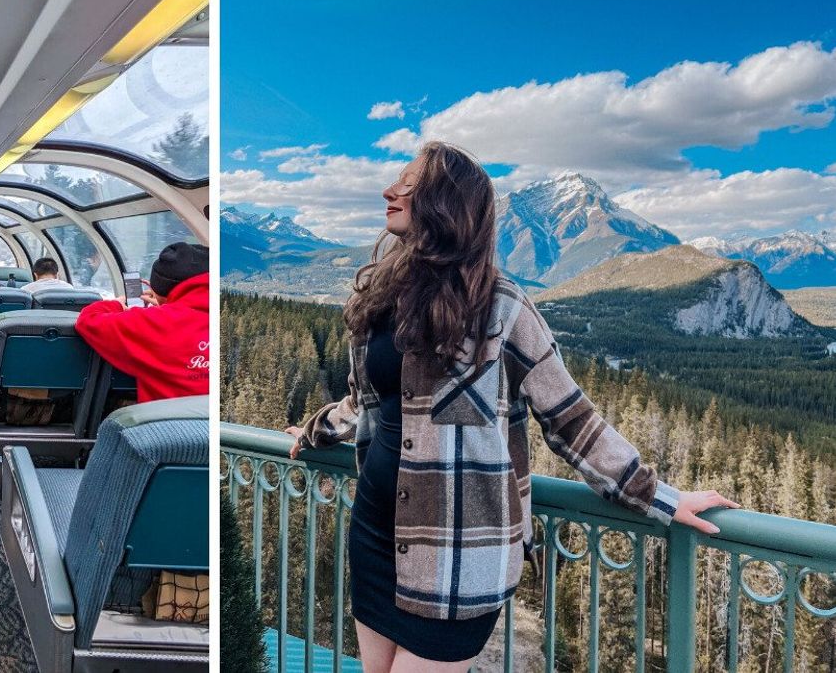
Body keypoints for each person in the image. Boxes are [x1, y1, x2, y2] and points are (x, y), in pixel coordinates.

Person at [283, 142, 739, 672]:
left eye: (407, 183)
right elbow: (375, 404)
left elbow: (570, 416)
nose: (390, 191)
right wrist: (318, 429)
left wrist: (654, 495)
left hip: (458, 555)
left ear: (443, 202)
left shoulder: (502, 307)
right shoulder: (381, 299)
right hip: (375, 534)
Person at [75, 242, 209, 402]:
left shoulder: (154, 322)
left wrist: (117, 304)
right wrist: (168, 304)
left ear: (159, 289)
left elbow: (88, 320)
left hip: (167, 424)